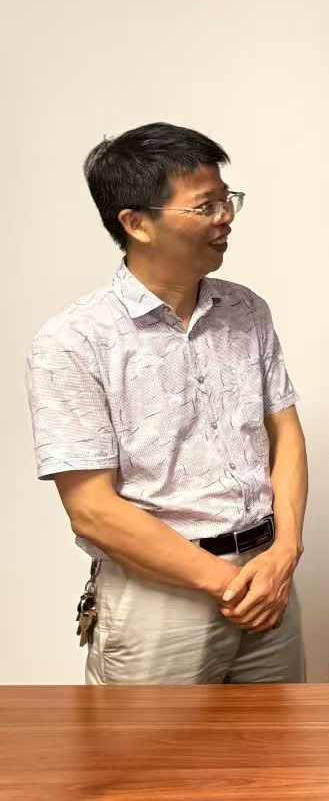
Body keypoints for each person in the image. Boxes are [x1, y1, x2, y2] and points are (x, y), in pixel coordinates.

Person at [26, 123, 308, 684]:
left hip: (267, 577)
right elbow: (92, 509)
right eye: (205, 206)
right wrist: (228, 584)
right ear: (136, 223)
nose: (225, 217)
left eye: (227, 200)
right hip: (160, 598)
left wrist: (285, 554)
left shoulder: (246, 311)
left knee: (277, 741)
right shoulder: (74, 339)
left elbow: (286, 435)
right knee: (152, 746)